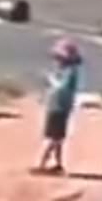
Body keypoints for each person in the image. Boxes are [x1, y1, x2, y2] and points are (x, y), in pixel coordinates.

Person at [34, 38, 83, 175]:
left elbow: (62, 88)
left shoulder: (70, 72)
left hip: (59, 107)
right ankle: (58, 164)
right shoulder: (69, 71)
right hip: (59, 106)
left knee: (54, 138)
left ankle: (42, 164)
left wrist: (50, 79)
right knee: (58, 138)